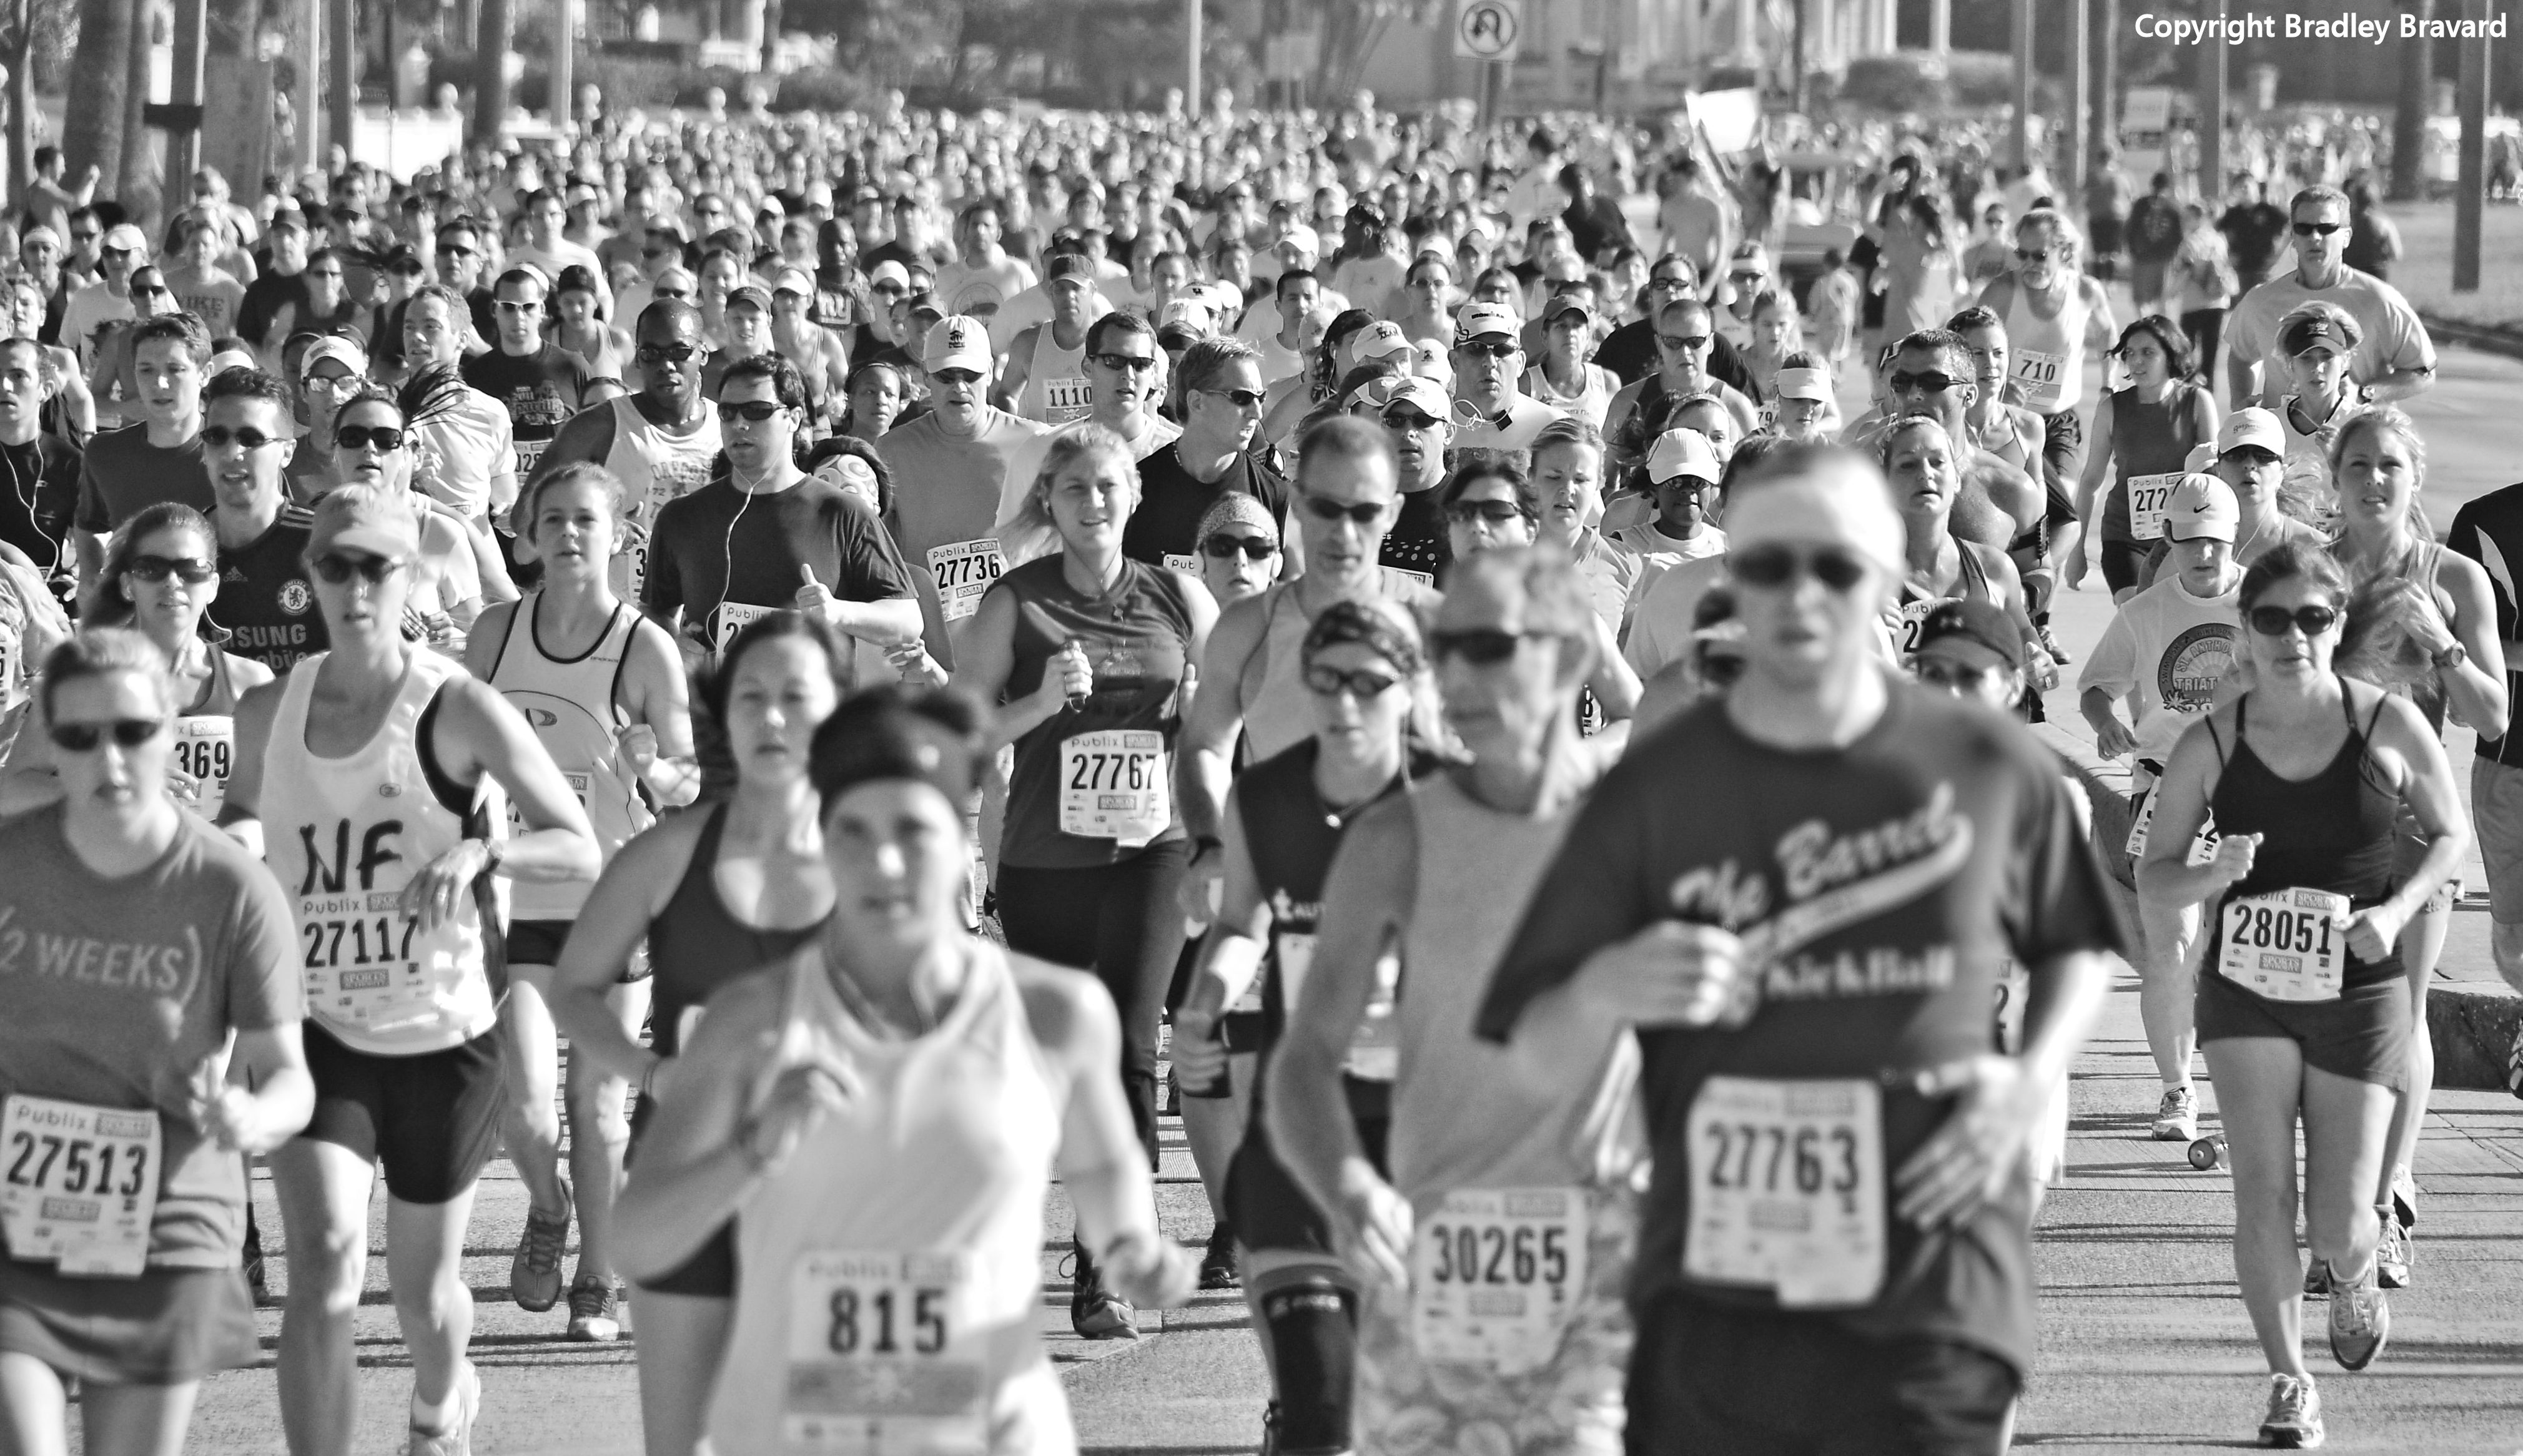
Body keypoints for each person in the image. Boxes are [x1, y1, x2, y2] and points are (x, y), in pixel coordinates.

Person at [1474, 441, 2124, 1456]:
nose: (1802, 593)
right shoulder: (1655, 786)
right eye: (1772, 565)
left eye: (1836, 566)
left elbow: (2077, 945)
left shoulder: (1987, 765)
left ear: (1886, 587)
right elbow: (1529, 1045)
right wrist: (1603, 988)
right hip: (1719, 1306)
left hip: (1933, 1296)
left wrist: (2030, 1080)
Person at [613, 683, 1198, 1454]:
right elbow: (639, 1241)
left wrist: (1136, 1254)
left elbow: (1104, 1174)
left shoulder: (1056, 1015)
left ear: (962, 843)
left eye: (913, 830)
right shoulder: (752, 1019)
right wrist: (751, 1151)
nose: (883, 861)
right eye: (853, 832)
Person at [214, 484, 599, 1456]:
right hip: (318, 1032)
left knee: (427, 1298)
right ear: (312, 578)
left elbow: (577, 843)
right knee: (327, 1270)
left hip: (444, 1033)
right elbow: (240, 826)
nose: (355, 587)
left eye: (376, 567)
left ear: (410, 576)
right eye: (335, 566)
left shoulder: (457, 707)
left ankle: (439, 1403)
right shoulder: (268, 713)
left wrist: (483, 855)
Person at [1266, 546, 1642, 1456]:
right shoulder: (1396, 839)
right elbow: (1306, 1057)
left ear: (1567, 656)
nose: (1454, 673)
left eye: (1486, 645)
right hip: (1442, 1249)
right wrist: (1349, 1185)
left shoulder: (1651, 829)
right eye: (1444, 644)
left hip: (1614, 1262)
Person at [2138, 542, 2465, 1448]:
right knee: (2261, 1195)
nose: (2293, 637)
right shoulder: (2214, 738)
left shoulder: (2387, 723)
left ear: (2338, 625)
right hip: (2248, 988)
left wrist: (2398, 910)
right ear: (2247, 628)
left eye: (2313, 619)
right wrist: (2213, 872)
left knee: (2340, 1222)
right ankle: (2289, 1382)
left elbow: (2450, 835)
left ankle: (2355, 1272)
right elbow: (2157, 879)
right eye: (2273, 619)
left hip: (2359, 987)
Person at [0, 628, 314, 1456]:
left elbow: (289, 1077)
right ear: (47, 741)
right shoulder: (8, 865)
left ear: (172, 730)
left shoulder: (230, 885)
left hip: (170, 1211)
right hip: (16, 1209)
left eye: (134, 731)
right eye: (79, 735)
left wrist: (252, 1119)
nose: (109, 758)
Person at [548, 612, 844, 1456]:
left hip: (837, 1183)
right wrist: (649, 1073)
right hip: (688, 1176)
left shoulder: (878, 856)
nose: (775, 718)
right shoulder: (672, 852)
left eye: (797, 696)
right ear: (722, 716)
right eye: (752, 697)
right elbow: (574, 989)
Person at [953, 423, 1218, 1335]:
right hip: (1045, 859)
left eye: (1108, 488)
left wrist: (1197, 711)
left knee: (1131, 1047)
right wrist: (1034, 703)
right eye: (1074, 492)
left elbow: (1226, 720)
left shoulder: (1178, 596)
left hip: (1155, 849)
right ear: (1051, 505)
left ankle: (1104, 1260)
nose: (1094, 504)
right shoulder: (1013, 602)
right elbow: (961, 733)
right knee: (1060, 1063)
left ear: (1133, 496)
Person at [1170, 597, 1431, 1456]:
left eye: (1368, 683)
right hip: (1303, 1126)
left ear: (1411, 687)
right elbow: (1244, 921)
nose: (1345, 704)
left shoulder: (1454, 801)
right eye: (1326, 682)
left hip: (1429, 1142)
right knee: (1321, 1417)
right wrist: (1207, 999)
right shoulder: (1266, 797)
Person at [464, 461, 698, 1342]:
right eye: (551, 520)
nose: (567, 535)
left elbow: (688, 786)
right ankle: (548, 1205)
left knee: (597, 1110)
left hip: (612, 901)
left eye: (585, 522)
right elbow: (454, 755)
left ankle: (597, 1280)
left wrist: (653, 768)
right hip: (519, 894)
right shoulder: (495, 632)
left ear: (618, 537)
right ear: (527, 533)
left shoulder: (644, 646)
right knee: (525, 1112)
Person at [2326, 405, 2507, 1291]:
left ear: (2414, 476)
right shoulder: (2306, 574)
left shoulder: (2457, 578)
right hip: (2315, 831)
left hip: (2415, 830)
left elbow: (2494, 716)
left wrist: (2440, 650)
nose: (2373, 480)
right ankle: (2336, 1207)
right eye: (2356, 465)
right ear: (2337, 478)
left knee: (2398, 1020)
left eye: (2389, 465)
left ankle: (2389, 1199)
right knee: (2324, 1026)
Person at [1175, 418, 1441, 923]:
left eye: (1364, 512)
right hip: (1280, 901)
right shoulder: (1249, 627)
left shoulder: (1434, 625)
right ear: (1296, 503)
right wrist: (1211, 845)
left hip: (1404, 904)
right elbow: (1205, 745)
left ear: (1393, 513)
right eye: (1326, 508)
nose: (1343, 532)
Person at [2079, 473, 2247, 1142]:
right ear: (2169, 539)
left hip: (2250, 788)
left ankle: (2253, 1081)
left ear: (2231, 538)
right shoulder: (2144, 613)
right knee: (2170, 946)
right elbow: (2096, 686)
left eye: (2213, 541)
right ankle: (2178, 1090)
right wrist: (2104, 722)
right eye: (2188, 541)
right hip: (2164, 786)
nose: (2201, 554)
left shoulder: (2264, 605)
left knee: (2241, 945)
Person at [643, 352, 919, 745]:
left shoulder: (841, 511)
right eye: (727, 413)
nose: (739, 424)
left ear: (792, 418)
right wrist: (672, 643)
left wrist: (838, 613)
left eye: (757, 411)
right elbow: (656, 611)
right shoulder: (682, 517)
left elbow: (908, 618)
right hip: (714, 733)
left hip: (812, 737)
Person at [0, 501, 272, 816]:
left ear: (212, 586)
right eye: (152, 569)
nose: (172, 582)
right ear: (129, 585)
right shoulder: (84, 679)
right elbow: (12, 788)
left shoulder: (251, 682)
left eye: (191, 570)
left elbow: (271, 797)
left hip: (215, 860)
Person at [872, 315, 1053, 661]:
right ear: (926, 376)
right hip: (930, 646)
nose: (959, 387)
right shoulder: (891, 451)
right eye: (946, 376)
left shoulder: (1037, 444)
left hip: (1019, 635)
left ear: (990, 373)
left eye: (970, 376)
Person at [525, 298, 723, 603]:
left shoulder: (728, 426)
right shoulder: (599, 426)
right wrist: (602, 529)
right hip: (619, 617)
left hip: (703, 613)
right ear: (638, 358)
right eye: (651, 353)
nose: (666, 365)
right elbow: (524, 519)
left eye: (680, 352)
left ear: (704, 354)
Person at [2224, 185, 2434, 413]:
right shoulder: (2261, 300)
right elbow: (2241, 356)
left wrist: (2364, 393)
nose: (2314, 237)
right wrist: (2241, 405)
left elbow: (2422, 372)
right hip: (2283, 443)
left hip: (2352, 441)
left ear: (2346, 237)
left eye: (2326, 228)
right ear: (2292, 237)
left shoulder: (2379, 300)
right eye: (2304, 229)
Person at [1973, 208, 2117, 517]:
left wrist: (2109, 384)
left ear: (2063, 252)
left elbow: (2108, 332)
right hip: (2007, 419)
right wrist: (1996, 388)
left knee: (2063, 507)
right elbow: (1962, 343)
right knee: (2012, 511)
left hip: (2058, 421)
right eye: (2021, 254)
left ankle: (2053, 567)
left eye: (2039, 255)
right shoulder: (2002, 291)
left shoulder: (2085, 292)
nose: (2028, 264)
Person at [2068, 317, 2220, 603]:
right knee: (2136, 611)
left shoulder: (2198, 402)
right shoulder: (2112, 408)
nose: (2136, 361)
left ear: (2170, 355)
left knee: (2174, 618)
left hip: (2184, 535)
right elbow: (2090, 481)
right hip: (2125, 534)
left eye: (2148, 353)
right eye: (2130, 353)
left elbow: (2213, 477)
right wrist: (2077, 550)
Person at [71, 312, 214, 591]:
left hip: (217, 618)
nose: (159, 383)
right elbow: (89, 524)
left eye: (175, 369)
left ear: (205, 374)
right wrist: (91, 575)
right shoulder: (104, 453)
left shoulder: (233, 455)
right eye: (146, 370)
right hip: (132, 620)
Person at [1126, 335, 1293, 571]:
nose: (1257, 413)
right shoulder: (1135, 490)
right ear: (1196, 402)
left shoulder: (1275, 497)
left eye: (1260, 398)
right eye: (1242, 398)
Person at [462, 267, 613, 483]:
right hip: (502, 500)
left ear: (542, 310)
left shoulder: (573, 367)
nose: (519, 316)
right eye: (509, 308)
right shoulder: (475, 375)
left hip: (560, 497)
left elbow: (595, 438)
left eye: (528, 307)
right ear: (495, 310)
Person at [1612, 426, 1727, 613]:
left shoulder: (1729, 549)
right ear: (1652, 489)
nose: (1688, 490)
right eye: (1675, 481)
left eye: (1698, 481)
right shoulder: (1622, 548)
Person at [0, 336, 83, 580]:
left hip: (45, 599)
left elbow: (96, 545)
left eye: (18, 376)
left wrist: (75, 576)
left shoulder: (70, 461)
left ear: (45, 390)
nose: (4, 385)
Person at [1448, 301, 1569, 454]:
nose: (1490, 362)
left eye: (1503, 349)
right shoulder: (1429, 424)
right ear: (1454, 361)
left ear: (1520, 363)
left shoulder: (1551, 428)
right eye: (1476, 348)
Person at [998, 253, 1104, 426]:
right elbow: (1007, 394)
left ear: (1093, 292)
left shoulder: (1110, 342)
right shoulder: (1028, 343)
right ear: (1050, 293)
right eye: (1061, 288)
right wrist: (1014, 432)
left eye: (1077, 288)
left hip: (1095, 448)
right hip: (1045, 450)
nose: (1069, 296)